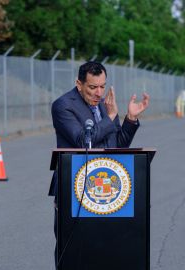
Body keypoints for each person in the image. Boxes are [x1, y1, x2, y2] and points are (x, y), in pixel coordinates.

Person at [49, 61, 149, 266]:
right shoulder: (63, 105)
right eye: (93, 87)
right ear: (79, 84)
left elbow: (116, 145)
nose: (99, 92)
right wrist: (111, 116)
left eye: (103, 86)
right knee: (72, 248)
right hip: (74, 186)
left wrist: (130, 119)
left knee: (104, 245)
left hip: (105, 189)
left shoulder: (104, 106)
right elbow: (83, 141)